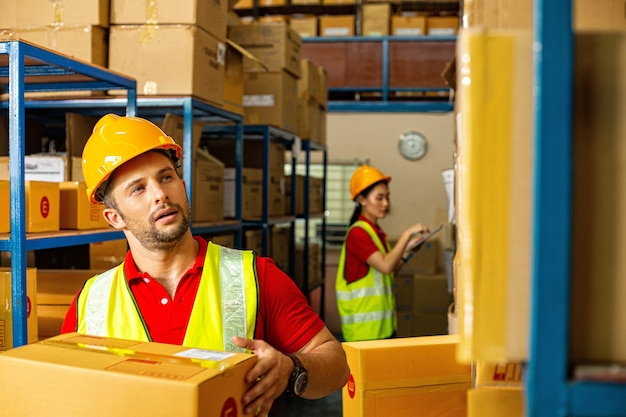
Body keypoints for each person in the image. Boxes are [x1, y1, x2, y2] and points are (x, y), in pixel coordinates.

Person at [61, 114, 349, 416]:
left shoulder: (256, 276)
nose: (160, 194)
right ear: (114, 218)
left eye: (166, 177)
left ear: (183, 185)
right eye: (138, 189)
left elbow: (337, 365)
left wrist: (292, 370)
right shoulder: (90, 303)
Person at [335, 165, 429, 342]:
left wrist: (406, 252)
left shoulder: (374, 231)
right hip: (364, 332)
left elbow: (388, 271)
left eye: (387, 197)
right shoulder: (358, 233)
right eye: (379, 198)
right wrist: (406, 234)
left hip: (382, 328)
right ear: (362, 199)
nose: (386, 203)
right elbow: (385, 266)